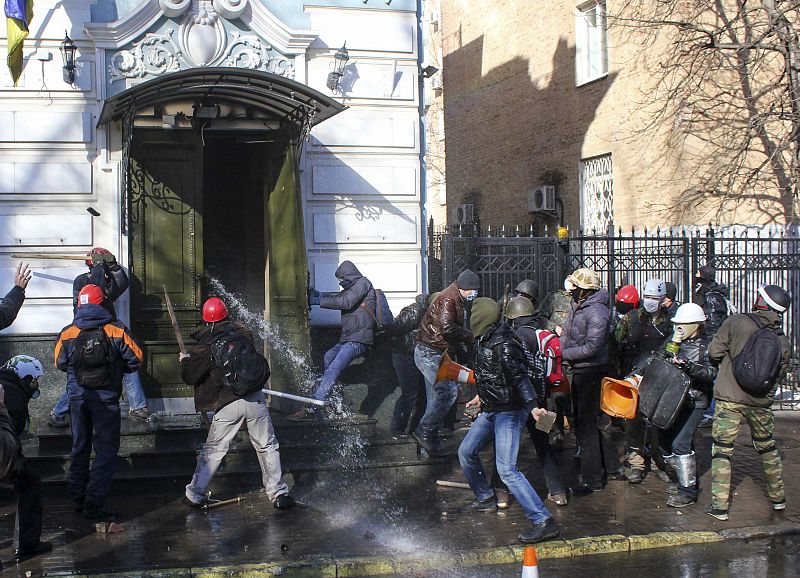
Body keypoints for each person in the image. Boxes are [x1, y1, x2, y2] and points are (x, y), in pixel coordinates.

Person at [457, 297, 559, 544]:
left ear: (483, 319)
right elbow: (491, 375)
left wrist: (533, 406)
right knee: (466, 451)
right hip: (492, 408)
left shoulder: (504, 343)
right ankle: (485, 498)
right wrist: (481, 397)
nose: (471, 320)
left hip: (510, 411)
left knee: (507, 469)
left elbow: (518, 376)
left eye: (474, 316)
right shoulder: (483, 340)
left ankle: (542, 520)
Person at [180, 297, 296, 509]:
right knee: (267, 445)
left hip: (228, 403)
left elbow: (189, 376)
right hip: (255, 398)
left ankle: (195, 493)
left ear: (206, 321)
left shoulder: (205, 346)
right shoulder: (243, 335)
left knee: (214, 449)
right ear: (226, 315)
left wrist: (185, 361)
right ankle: (278, 493)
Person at [55, 284, 143, 521]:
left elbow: (59, 362)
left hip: (78, 398)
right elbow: (136, 358)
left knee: (79, 446)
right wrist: (116, 368)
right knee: (105, 451)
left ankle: (77, 497)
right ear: (103, 302)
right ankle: (94, 502)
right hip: (106, 399)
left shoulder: (67, 332)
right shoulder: (116, 330)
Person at [705, 284, 792, 521]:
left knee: (722, 451)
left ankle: (720, 508)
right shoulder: (782, 340)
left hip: (729, 398)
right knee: (767, 447)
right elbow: (778, 375)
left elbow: (713, 352)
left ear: (761, 303)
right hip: (760, 402)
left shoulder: (736, 322)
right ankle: (778, 499)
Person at [49, 247, 149, 427]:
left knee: (121, 364)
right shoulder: (82, 281)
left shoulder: (105, 280)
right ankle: (59, 412)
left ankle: (138, 407)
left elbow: (121, 284)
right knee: (80, 374)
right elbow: (94, 286)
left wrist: (114, 267)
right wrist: (99, 267)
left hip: (105, 331)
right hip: (84, 332)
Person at [289, 260, 376, 420]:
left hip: (358, 339)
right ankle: (334, 401)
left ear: (349, 275)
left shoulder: (363, 283)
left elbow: (345, 302)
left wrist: (317, 301)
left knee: (332, 369)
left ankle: (314, 407)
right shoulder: (353, 287)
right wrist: (318, 295)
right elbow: (338, 297)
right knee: (328, 357)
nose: (341, 283)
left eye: (342, 279)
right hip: (349, 337)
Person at [505, 295, 568, 506]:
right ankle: (558, 491)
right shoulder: (542, 334)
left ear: (514, 317)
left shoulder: (517, 336)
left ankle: (501, 493)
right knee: (543, 443)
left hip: (521, 401)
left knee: (506, 448)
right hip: (543, 399)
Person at [657, 303, 716, 508]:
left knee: (680, 444)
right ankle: (680, 478)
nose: (678, 329)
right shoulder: (674, 342)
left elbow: (711, 374)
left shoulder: (707, 347)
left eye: (683, 325)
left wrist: (689, 366)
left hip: (695, 400)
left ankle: (688, 491)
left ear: (696, 325)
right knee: (664, 439)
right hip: (673, 399)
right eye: (677, 325)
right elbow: (656, 359)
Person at [412, 269, 478, 453]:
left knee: (435, 397)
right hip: (430, 353)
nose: (474, 294)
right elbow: (448, 328)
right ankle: (424, 432)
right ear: (465, 288)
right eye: (473, 290)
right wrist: (469, 337)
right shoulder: (449, 299)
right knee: (447, 392)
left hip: (436, 352)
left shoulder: (456, 298)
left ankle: (427, 446)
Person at [615, 279, 673, 484]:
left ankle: (658, 461)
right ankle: (636, 461)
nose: (649, 302)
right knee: (633, 421)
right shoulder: (631, 319)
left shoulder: (669, 323)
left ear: (663, 300)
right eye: (646, 297)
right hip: (633, 375)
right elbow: (617, 342)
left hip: (659, 378)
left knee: (658, 422)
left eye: (654, 298)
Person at [560, 267, 612, 495]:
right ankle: (612, 466)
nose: (572, 292)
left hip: (590, 372)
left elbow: (593, 347)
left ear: (585, 291)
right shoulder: (578, 306)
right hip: (578, 370)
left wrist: (565, 354)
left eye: (576, 288)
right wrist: (562, 348)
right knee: (583, 424)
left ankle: (593, 479)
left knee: (587, 427)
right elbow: (566, 333)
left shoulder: (597, 312)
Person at [0, 357, 52, 561]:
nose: (36, 385)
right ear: (25, 377)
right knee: (30, 482)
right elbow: (6, 431)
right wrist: (16, 460)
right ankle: (27, 544)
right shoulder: (13, 394)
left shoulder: (6, 385)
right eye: (34, 380)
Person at [383, 293, 429, 438]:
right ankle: (397, 428)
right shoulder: (415, 311)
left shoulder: (427, 313)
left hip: (415, 355)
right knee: (409, 393)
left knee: (420, 395)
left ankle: (413, 428)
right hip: (404, 355)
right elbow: (396, 328)